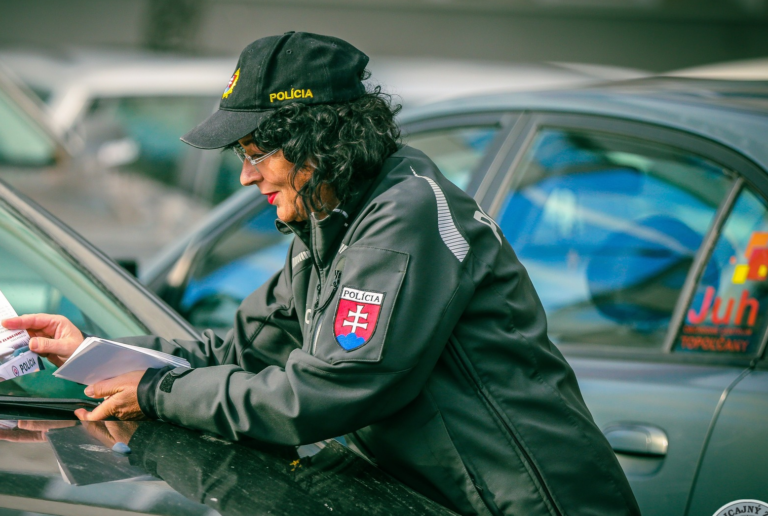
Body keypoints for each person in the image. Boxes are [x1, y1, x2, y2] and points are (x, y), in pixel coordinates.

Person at [2, 32, 640, 516]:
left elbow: (326, 391)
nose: (247, 176)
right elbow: (239, 352)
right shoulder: (330, 217)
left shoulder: (403, 216)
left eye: (257, 154)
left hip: (523, 503)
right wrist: (90, 353)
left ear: (319, 139)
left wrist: (157, 393)